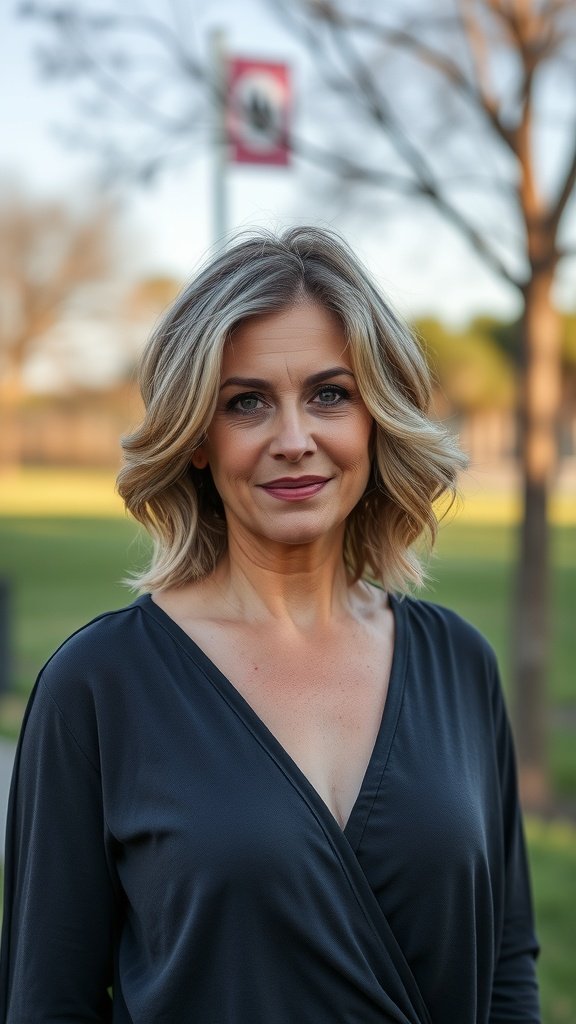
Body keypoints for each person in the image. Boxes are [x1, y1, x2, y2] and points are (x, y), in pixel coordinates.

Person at [0, 226, 540, 1024]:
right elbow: (48, 999)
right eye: (246, 402)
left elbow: (505, 967)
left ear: (374, 420)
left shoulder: (459, 663)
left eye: (330, 394)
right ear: (196, 439)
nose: (295, 441)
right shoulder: (98, 685)